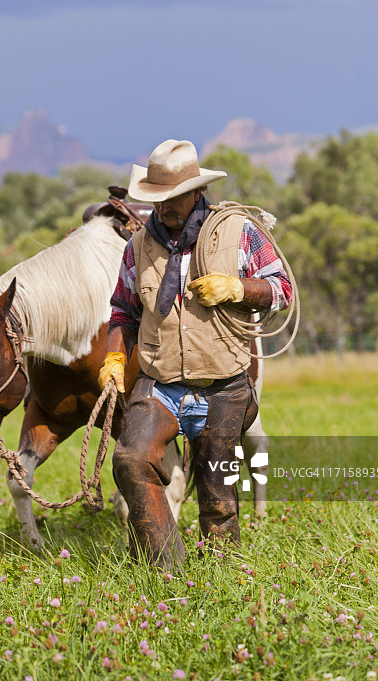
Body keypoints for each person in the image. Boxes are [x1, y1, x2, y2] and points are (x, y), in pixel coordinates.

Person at [98, 139, 292, 568]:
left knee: (218, 499)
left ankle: (221, 583)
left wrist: (240, 288)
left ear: (194, 192)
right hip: (160, 379)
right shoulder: (137, 248)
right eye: (155, 200)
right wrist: (114, 359)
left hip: (222, 383)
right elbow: (122, 312)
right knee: (131, 459)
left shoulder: (240, 232)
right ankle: (168, 570)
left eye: (169, 199)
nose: (161, 208)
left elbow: (282, 289)